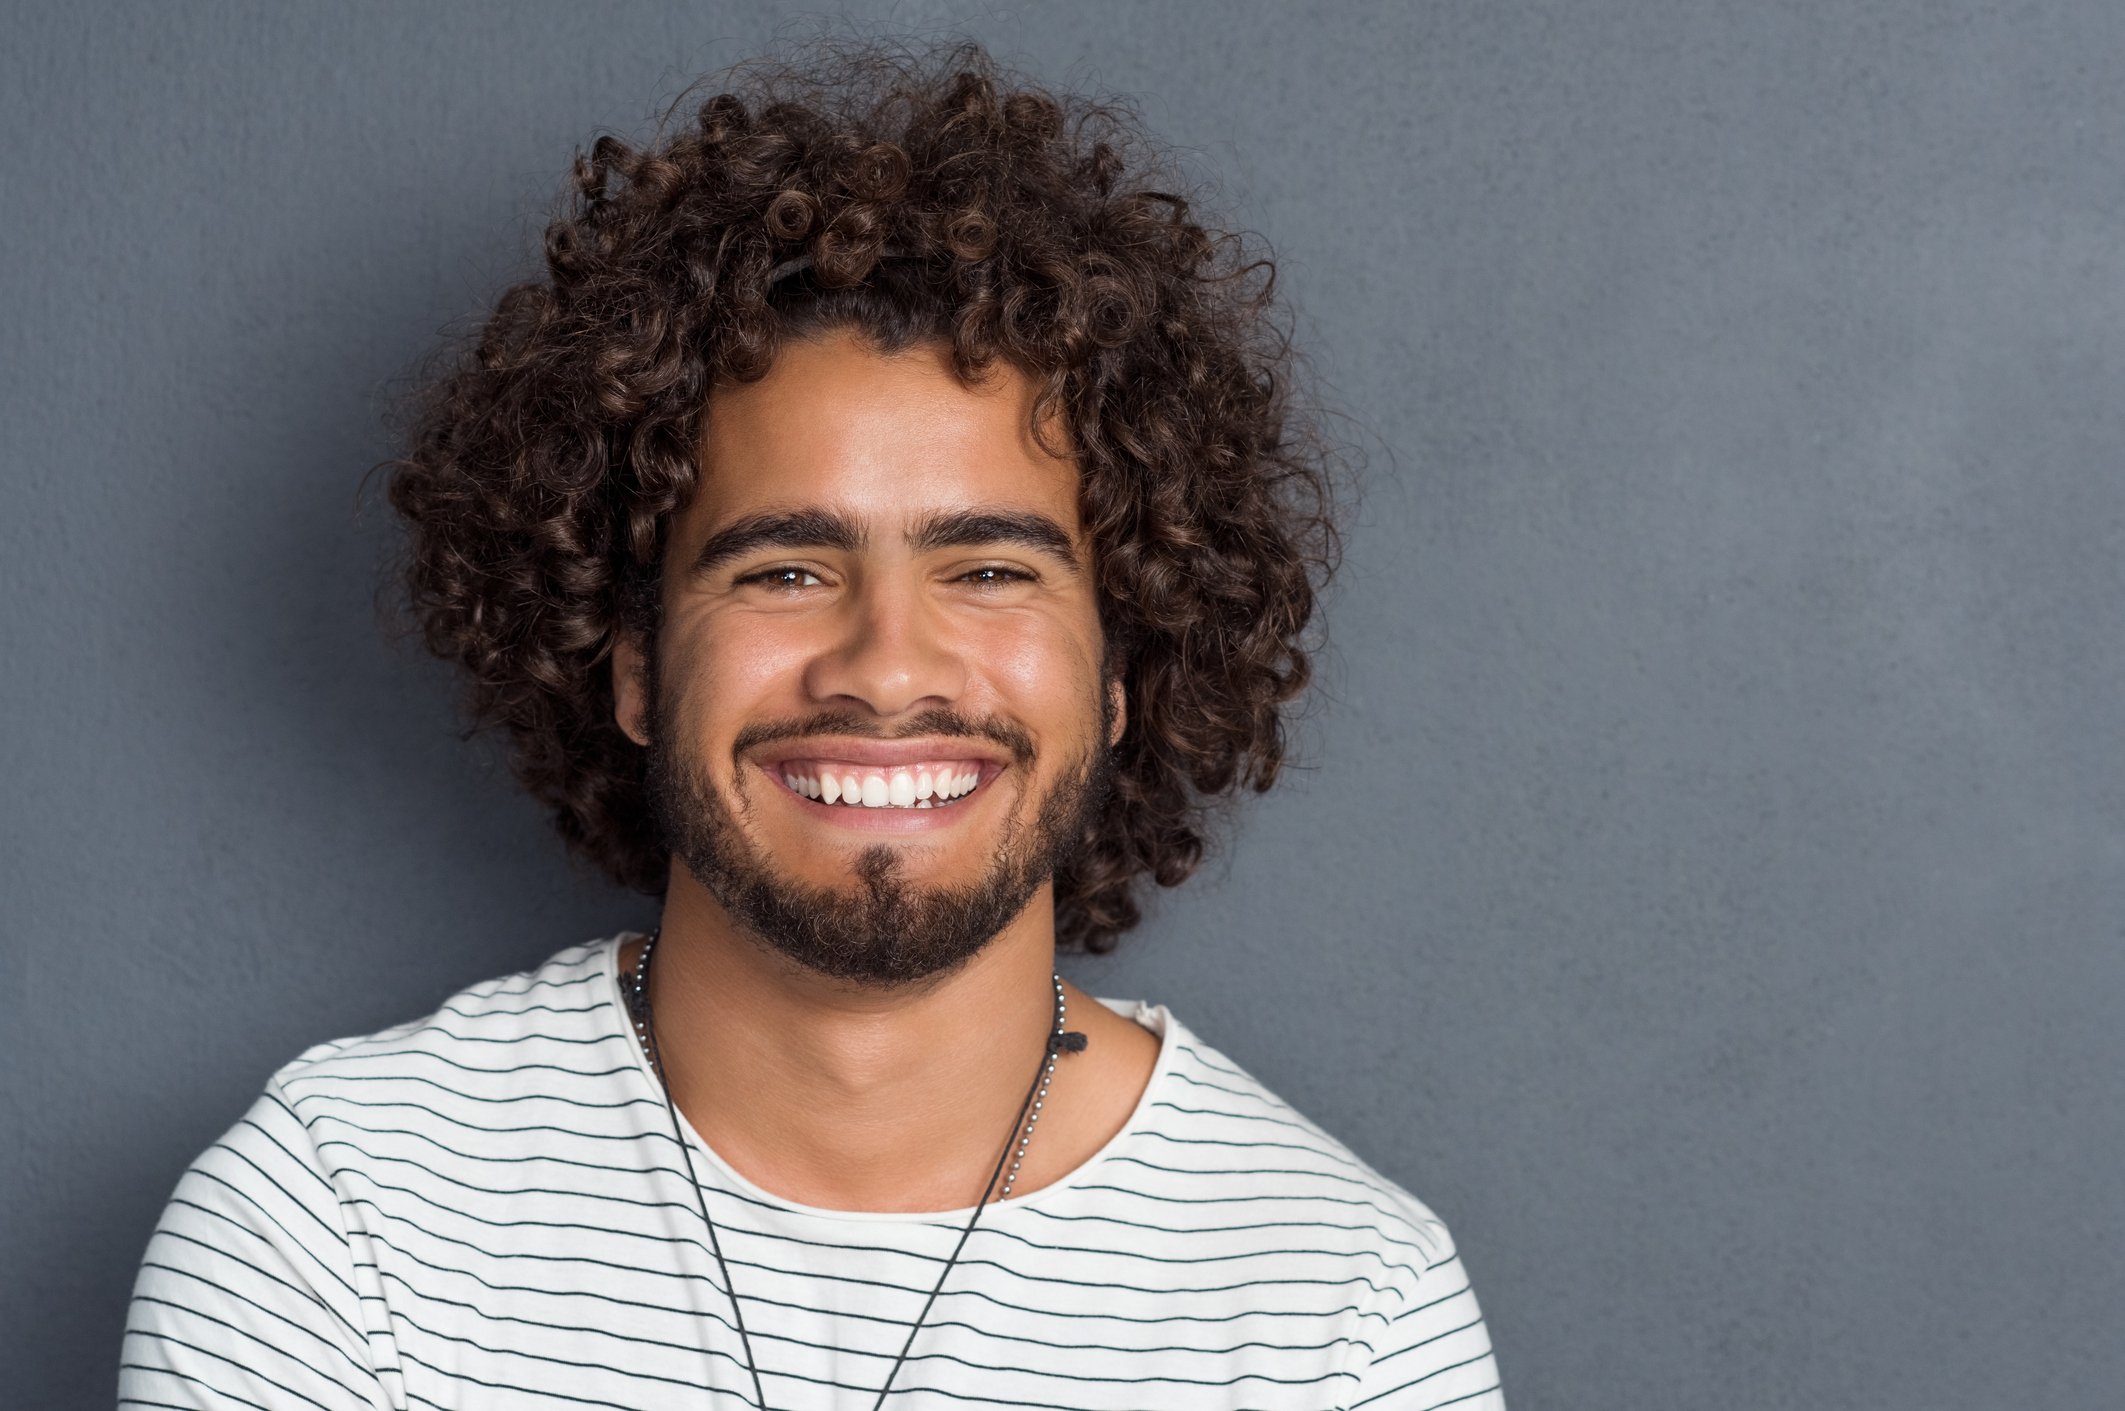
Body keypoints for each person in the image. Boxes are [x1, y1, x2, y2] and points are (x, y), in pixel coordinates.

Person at [119, 38, 1505, 1411]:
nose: (885, 667)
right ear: (632, 664)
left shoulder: (1343, 1310)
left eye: (988, 570)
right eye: (785, 569)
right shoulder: (337, 1229)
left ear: (1123, 667)